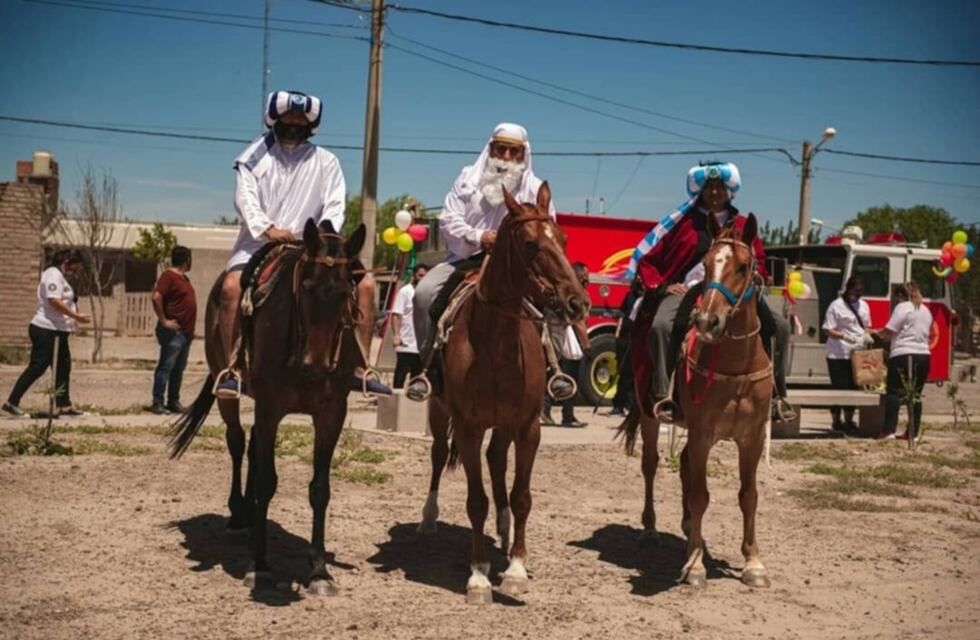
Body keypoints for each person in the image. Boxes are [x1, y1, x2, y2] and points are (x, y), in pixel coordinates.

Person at [216, 89, 388, 397]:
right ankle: (234, 368)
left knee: (366, 286)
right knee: (231, 288)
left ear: (310, 123)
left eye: (301, 117)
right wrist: (268, 229)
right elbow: (245, 199)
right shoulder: (253, 156)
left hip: (313, 245)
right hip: (259, 243)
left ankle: (361, 368)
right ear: (276, 117)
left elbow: (335, 204)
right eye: (289, 115)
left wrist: (323, 237)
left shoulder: (327, 161)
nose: (295, 121)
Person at [625, 162, 794, 423]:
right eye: (709, 188)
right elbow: (650, 260)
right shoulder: (681, 224)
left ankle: (777, 395)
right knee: (661, 327)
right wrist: (663, 285)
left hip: (734, 292)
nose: (714, 193)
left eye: (719, 188)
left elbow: (758, 259)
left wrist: (758, 275)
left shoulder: (742, 224)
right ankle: (663, 394)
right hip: (688, 290)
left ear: (729, 191)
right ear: (701, 191)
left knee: (780, 327)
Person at [406, 122, 564, 401]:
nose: (506, 156)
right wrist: (479, 236)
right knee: (424, 294)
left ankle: (554, 370)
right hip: (467, 258)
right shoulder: (467, 178)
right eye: (500, 149)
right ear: (490, 149)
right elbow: (448, 220)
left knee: (558, 299)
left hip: (519, 268)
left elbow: (547, 232)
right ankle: (429, 369)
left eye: (513, 151)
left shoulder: (535, 188)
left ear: (523, 154)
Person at [3, 249, 90, 418]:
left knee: (63, 367)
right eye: (75, 266)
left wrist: (73, 318)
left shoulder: (62, 278)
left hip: (58, 330)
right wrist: (76, 316)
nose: (76, 270)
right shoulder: (52, 274)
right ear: (66, 262)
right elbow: (53, 300)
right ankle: (11, 403)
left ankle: (63, 405)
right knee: (38, 366)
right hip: (46, 329)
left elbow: (68, 300)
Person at [875, 282, 933, 441]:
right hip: (924, 355)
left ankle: (889, 430)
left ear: (901, 295)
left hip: (904, 353)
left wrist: (875, 333)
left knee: (894, 392)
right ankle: (913, 432)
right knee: (915, 394)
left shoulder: (902, 307)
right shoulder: (925, 310)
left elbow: (889, 331)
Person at [542, 263, 591, 427]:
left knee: (561, 375)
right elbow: (579, 322)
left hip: (564, 337)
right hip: (563, 338)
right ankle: (550, 412)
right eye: (585, 277)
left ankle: (567, 415)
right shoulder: (570, 293)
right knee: (559, 374)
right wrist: (587, 346)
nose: (588, 281)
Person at [149, 245, 196, 415]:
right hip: (174, 332)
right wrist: (164, 321)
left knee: (178, 369)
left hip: (185, 333)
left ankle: (173, 401)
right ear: (186, 260)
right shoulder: (168, 276)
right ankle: (157, 402)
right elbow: (156, 297)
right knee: (166, 366)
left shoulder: (184, 279)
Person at [822, 276, 872, 433]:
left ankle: (849, 420)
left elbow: (866, 326)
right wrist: (843, 336)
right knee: (838, 387)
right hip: (838, 353)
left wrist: (866, 335)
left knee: (853, 387)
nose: (857, 295)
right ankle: (836, 421)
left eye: (860, 292)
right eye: (855, 291)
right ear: (848, 289)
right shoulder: (836, 306)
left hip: (857, 353)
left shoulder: (864, 305)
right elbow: (827, 329)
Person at [605, 278, 642, 417]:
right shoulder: (630, 295)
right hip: (624, 337)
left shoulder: (647, 298)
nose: (640, 280)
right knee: (623, 372)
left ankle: (630, 405)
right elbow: (622, 315)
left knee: (633, 374)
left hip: (637, 338)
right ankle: (618, 406)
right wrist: (618, 335)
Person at [390, 263, 428, 389]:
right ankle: (396, 397)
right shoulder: (405, 291)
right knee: (401, 374)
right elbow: (396, 314)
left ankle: (413, 398)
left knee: (417, 376)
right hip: (406, 342)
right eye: (420, 275)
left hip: (421, 344)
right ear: (414, 275)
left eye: (425, 276)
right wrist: (396, 335)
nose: (423, 278)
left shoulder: (429, 293)